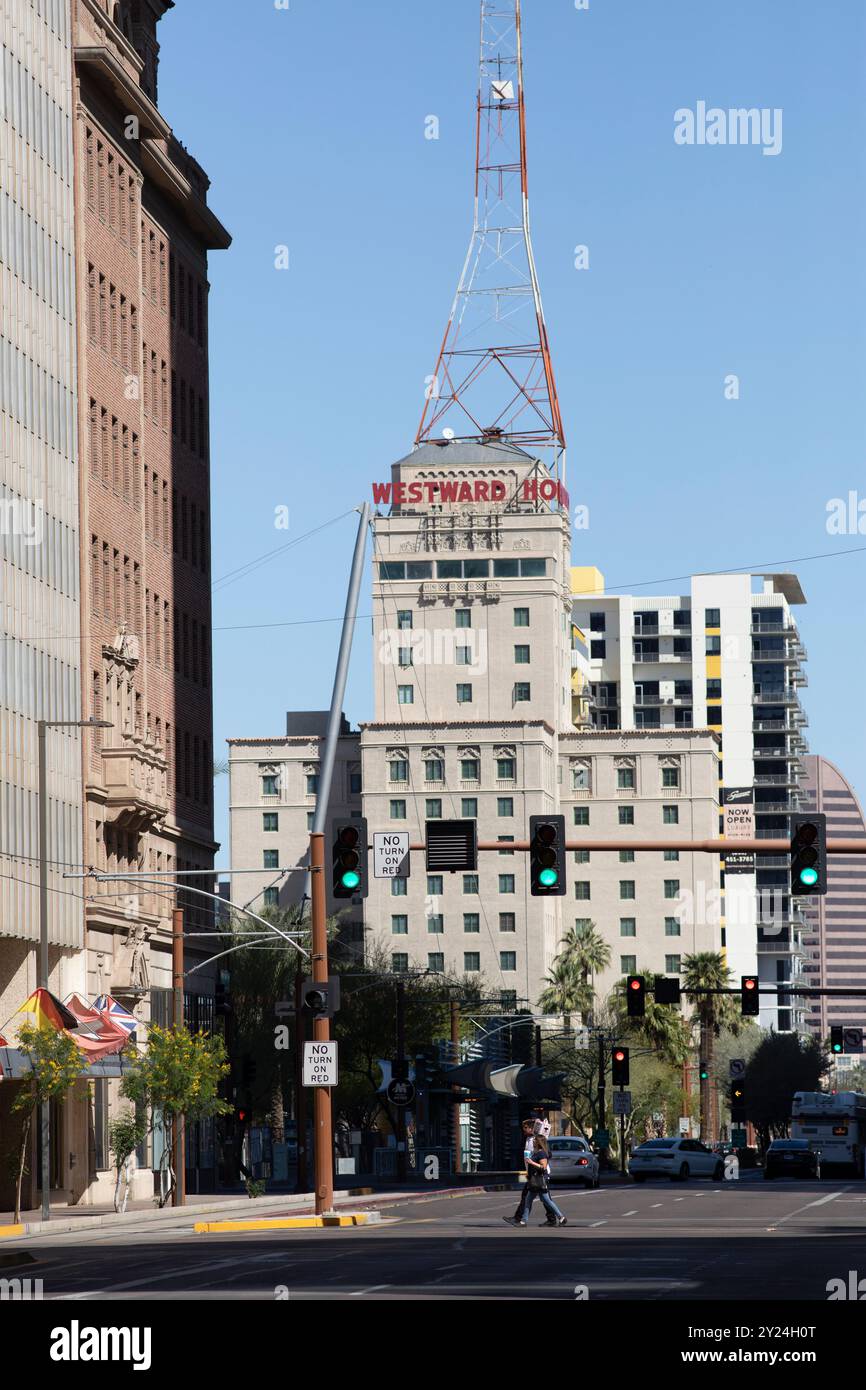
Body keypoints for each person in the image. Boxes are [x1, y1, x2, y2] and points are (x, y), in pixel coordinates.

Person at [522, 1135, 567, 1227]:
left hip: (540, 1180)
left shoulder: (542, 1153)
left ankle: (561, 1217)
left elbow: (543, 1167)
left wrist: (531, 1162)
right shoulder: (536, 1152)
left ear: (539, 1142)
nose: (533, 1142)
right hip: (535, 1179)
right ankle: (523, 1221)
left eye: (535, 1140)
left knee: (546, 1200)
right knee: (531, 1199)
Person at [503, 1119, 537, 1226]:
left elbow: (539, 1156)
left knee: (530, 1196)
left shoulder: (535, 1140)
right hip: (531, 1172)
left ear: (531, 1128)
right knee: (542, 1198)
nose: (524, 1130)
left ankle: (518, 1218)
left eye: (526, 1128)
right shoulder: (528, 1139)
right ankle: (554, 1218)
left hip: (537, 1173)